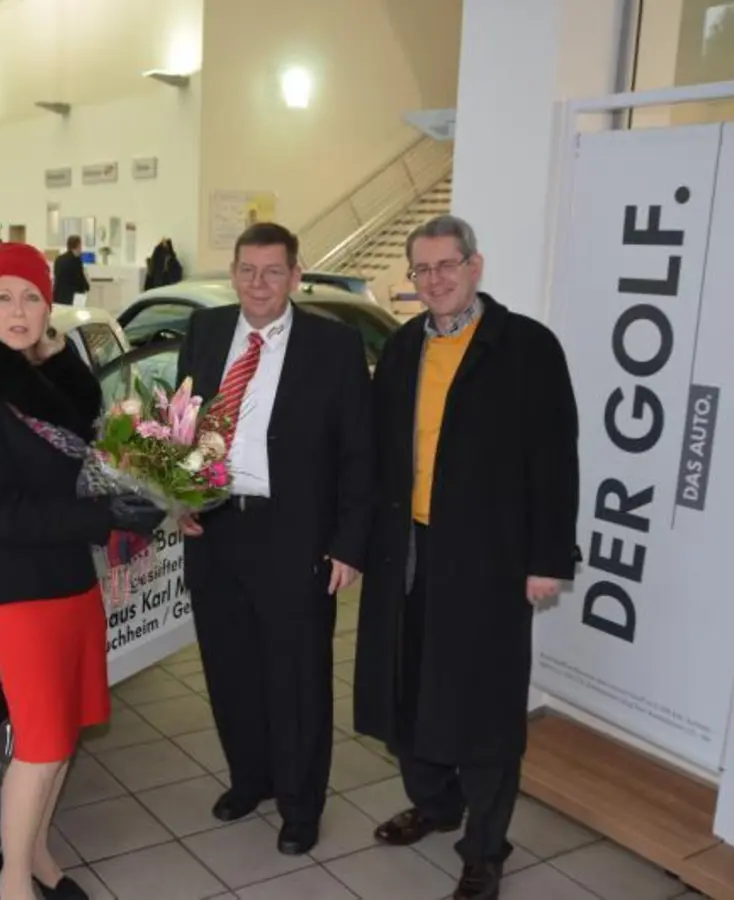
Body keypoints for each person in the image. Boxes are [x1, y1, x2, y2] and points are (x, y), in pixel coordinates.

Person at [354, 215, 580, 900]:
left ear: (475, 266)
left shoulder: (527, 347)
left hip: (490, 562)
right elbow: (377, 458)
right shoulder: (399, 351)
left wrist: (548, 558)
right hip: (408, 554)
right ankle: (434, 802)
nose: (435, 280)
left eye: (447, 265)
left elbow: (555, 460)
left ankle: (485, 843)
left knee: (483, 706)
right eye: (422, 270)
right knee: (407, 687)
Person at [0, 242, 165, 900]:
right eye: (3, 297)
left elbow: (93, 472)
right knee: (37, 743)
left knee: (64, 737)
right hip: (19, 593)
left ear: (48, 306)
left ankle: (37, 853)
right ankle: (12, 883)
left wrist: (143, 493)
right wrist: (101, 516)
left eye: (32, 296)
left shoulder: (65, 391)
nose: (19, 310)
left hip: (73, 582)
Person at [173, 222, 372, 855]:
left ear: (295, 274)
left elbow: (359, 454)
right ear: (232, 273)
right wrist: (177, 498)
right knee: (229, 667)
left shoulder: (334, 346)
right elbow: (181, 425)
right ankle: (250, 778)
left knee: (298, 676)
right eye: (248, 271)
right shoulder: (205, 332)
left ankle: (300, 803)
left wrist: (349, 542)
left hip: (296, 535)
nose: (259, 284)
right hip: (215, 528)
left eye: (273, 272)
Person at [52, 236, 90, 305]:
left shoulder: (59, 259)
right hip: (72, 298)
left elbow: (56, 275)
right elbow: (79, 278)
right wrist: (86, 287)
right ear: (78, 245)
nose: (81, 248)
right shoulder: (76, 261)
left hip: (58, 296)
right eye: (80, 245)